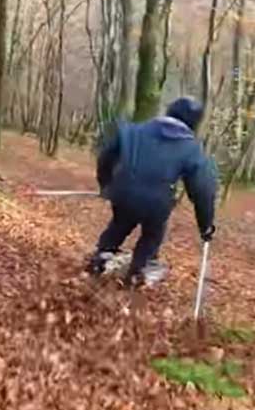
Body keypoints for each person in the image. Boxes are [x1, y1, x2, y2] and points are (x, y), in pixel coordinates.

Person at [86, 96, 218, 287]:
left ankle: (101, 257)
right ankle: (137, 270)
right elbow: (203, 190)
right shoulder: (191, 150)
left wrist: (106, 185)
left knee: (120, 223)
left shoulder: (133, 131)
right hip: (156, 204)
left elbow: (106, 157)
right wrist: (205, 225)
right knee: (152, 234)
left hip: (123, 193)